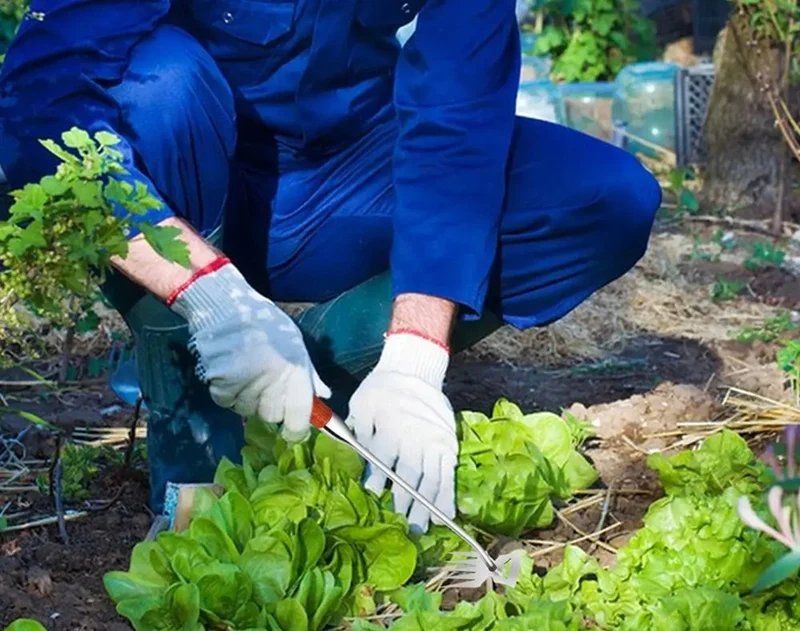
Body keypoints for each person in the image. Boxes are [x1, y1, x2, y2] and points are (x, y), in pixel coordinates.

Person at [0, 0, 661, 531]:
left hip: (352, 178)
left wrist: (414, 357)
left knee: (604, 200)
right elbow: (41, 112)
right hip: (196, 188)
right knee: (156, 83)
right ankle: (197, 442)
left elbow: (458, 121)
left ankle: (326, 385)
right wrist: (210, 296)